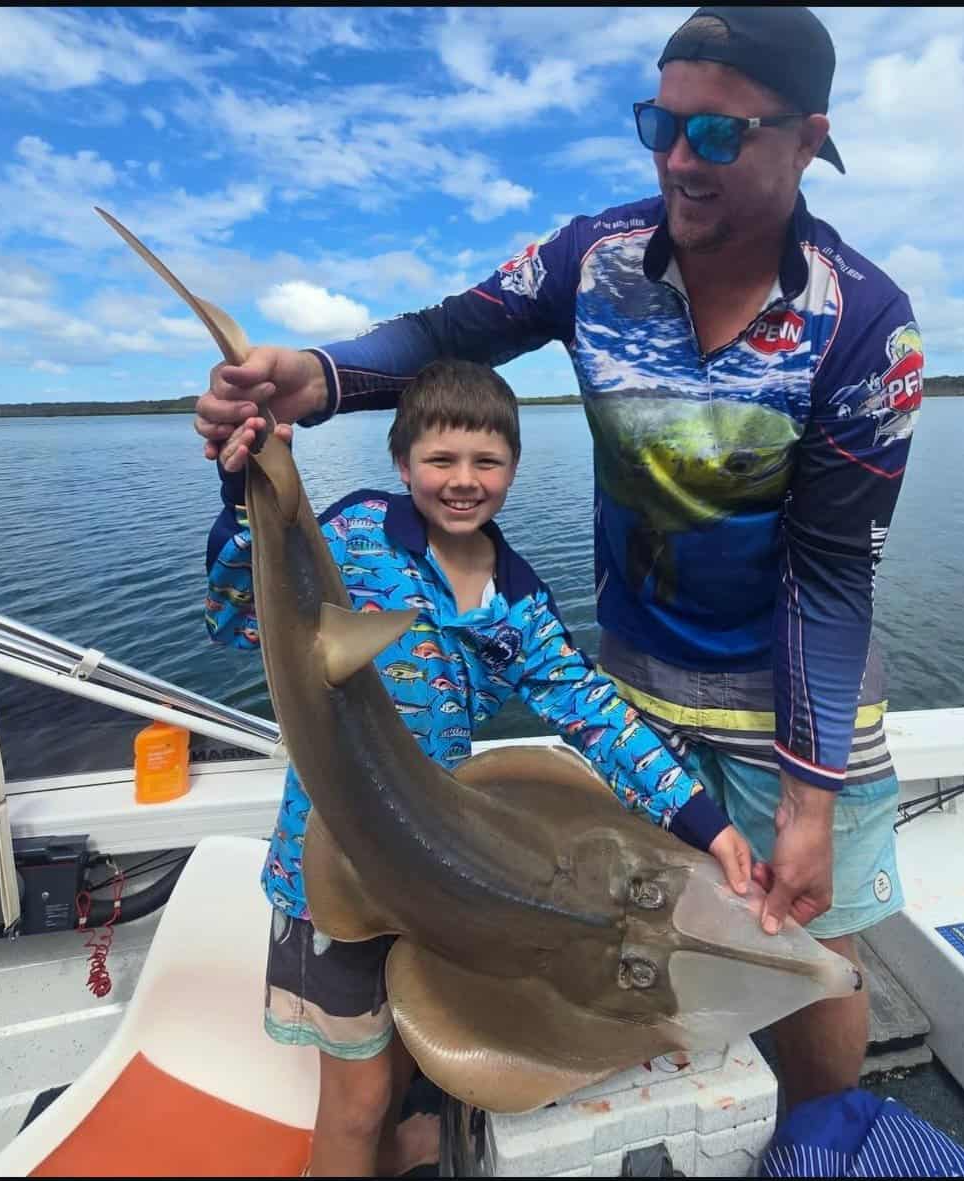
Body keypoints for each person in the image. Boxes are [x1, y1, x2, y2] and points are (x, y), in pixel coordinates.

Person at [195, 6, 923, 1113]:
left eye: (717, 134)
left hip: (797, 699)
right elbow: (449, 333)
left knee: (812, 946)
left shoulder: (864, 325)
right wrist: (320, 376)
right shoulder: (595, 257)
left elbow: (830, 575)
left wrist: (810, 798)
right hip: (637, 671)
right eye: (660, 125)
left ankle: (822, 1135)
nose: (679, 161)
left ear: (805, 137)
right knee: (618, 933)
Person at [204, 358, 756, 1176]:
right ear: (402, 464)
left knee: (400, 1059)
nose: (463, 480)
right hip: (330, 872)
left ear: (513, 469)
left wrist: (704, 824)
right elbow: (239, 619)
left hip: (441, 878)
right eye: (441, 459)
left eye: (486, 461)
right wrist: (242, 490)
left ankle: (389, 1152)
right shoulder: (356, 533)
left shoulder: (517, 601)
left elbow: (593, 712)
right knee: (354, 1099)